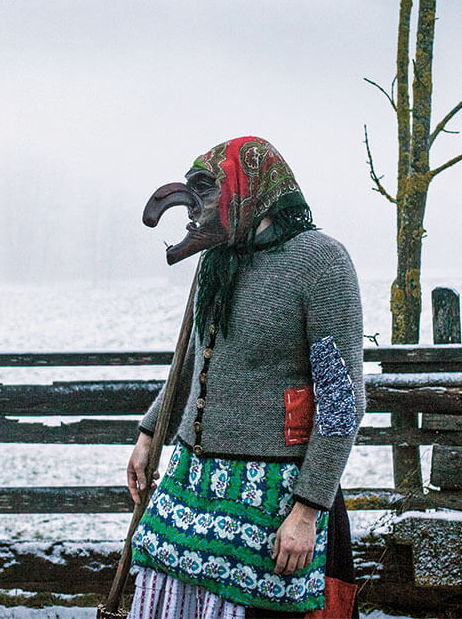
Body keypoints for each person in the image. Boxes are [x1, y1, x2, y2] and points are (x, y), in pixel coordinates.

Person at [127, 136, 364, 619]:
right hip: (192, 484)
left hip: (275, 498)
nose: (197, 213)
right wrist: (151, 433)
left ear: (250, 191)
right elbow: (194, 362)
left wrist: (306, 511)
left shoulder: (319, 261)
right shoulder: (217, 262)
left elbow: (342, 400)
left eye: (208, 193)